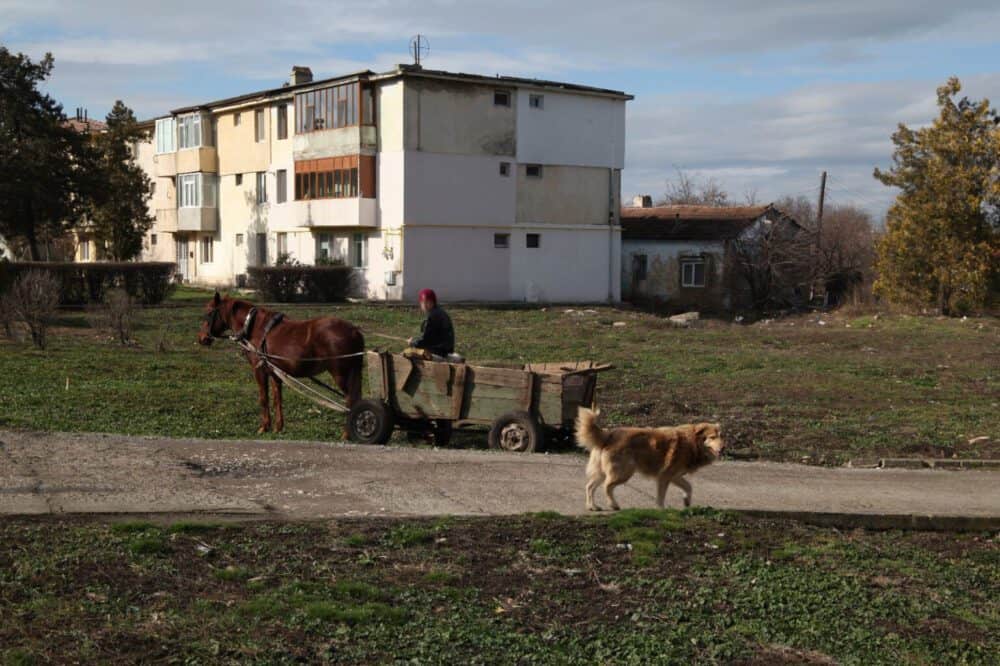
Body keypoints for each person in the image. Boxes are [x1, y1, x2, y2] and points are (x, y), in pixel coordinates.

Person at [408, 288, 454, 358]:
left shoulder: (433, 316)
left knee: (407, 354)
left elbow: (426, 340)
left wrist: (413, 342)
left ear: (433, 302)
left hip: (438, 351)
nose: (425, 305)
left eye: (428, 302)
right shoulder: (439, 312)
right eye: (423, 302)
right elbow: (429, 336)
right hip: (444, 349)